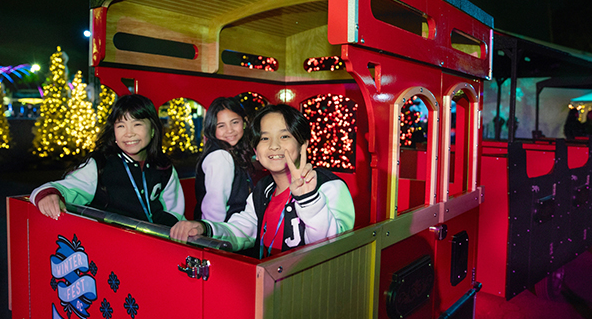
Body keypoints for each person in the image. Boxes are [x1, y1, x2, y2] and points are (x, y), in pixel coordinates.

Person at [171, 104, 354, 257]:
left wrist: (309, 200)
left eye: (284, 136)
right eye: (265, 138)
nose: (274, 146)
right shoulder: (264, 189)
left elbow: (333, 249)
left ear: (303, 144)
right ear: (256, 151)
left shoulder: (329, 187)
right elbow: (241, 230)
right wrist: (204, 228)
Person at [31, 94, 185, 226]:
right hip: (112, 246)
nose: (129, 133)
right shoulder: (100, 164)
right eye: (121, 126)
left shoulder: (164, 168)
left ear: (153, 130)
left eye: (137, 124)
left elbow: (174, 213)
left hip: (157, 245)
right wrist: (50, 195)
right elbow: (68, 188)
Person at [194, 96, 254, 222]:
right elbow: (214, 207)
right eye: (221, 126)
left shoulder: (232, 151)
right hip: (226, 233)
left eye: (235, 122)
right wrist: (215, 238)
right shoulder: (220, 157)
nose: (230, 130)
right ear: (212, 128)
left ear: (244, 122)